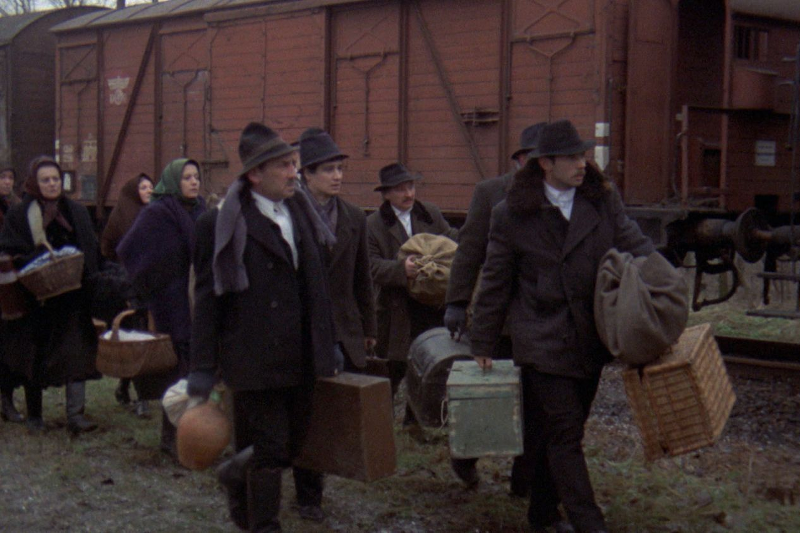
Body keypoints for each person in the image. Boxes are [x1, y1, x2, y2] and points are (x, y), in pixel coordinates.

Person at [469, 120, 655, 533]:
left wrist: (665, 283)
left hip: (590, 336)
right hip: (541, 338)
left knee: (562, 431)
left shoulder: (601, 201)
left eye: (583, 155)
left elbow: (634, 243)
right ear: (546, 163)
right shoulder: (511, 214)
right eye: (572, 157)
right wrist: (482, 341)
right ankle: (589, 523)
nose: (582, 164)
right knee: (565, 432)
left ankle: (542, 514)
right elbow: (496, 281)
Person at [186, 122, 339, 532]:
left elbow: (317, 287)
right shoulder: (221, 223)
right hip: (253, 357)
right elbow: (207, 300)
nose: (294, 173)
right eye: (284, 166)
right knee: (271, 449)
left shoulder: (300, 211)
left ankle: (235, 474)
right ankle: (264, 525)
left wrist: (328, 342)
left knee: (295, 443)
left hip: (300, 354)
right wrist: (202, 366)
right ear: (255, 173)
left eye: (294, 163)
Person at [443, 122, 546, 491]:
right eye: (533, 158)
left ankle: (524, 479)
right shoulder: (490, 193)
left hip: (540, 318)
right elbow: (469, 250)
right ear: (519, 160)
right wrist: (456, 302)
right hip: (498, 316)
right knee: (487, 392)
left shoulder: (561, 197)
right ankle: (466, 455)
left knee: (536, 401)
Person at [0, 156, 102, 435]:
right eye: (45, 180)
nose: (52, 184)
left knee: (76, 352)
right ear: (34, 183)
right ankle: (35, 415)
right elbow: (10, 248)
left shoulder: (75, 211)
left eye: (56, 179)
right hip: (36, 298)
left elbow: (90, 246)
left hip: (72, 295)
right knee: (36, 355)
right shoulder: (20, 214)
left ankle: (76, 415)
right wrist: (35, 261)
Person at [117, 159, 206, 457]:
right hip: (170, 301)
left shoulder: (201, 210)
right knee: (176, 368)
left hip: (197, 297)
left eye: (196, 176)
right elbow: (130, 249)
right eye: (186, 177)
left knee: (196, 366)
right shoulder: (158, 213)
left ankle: (195, 432)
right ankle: (171, 437)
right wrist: (153, 284)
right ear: (172, 182)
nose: (194, 182)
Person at [366, 163, 457, 423]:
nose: (408, 194)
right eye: (400, 189)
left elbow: (450, 239)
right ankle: (379, 424)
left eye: (411, 187)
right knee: (393, 369)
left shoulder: (430, 213)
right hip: (395, 309)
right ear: (386, 194)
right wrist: (400, 269)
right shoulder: (373, 224)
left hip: (430, 306)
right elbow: (370, 265)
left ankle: (415, 423)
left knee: (427, 365)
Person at [298, 128, 377, 371]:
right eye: (328, 170)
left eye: (340, 169)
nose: (337, 176)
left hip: (346, 332)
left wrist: (369, 328)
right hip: (305, 330)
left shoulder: (354, 216)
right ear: (307, 174)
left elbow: (362, 278)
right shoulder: (292, 215)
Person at [100, 173, 154, 418]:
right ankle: (141, 397)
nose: (148, 190)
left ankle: (125, 388)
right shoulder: (122, 213)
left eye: (151, 186)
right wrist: (123, 268)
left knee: (147, 338)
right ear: (133, 190)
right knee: (136, 338)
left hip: (152, 282)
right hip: (130, 285)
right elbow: (107, 245)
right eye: (143, 187)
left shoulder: (154, 212)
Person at [0, 164, 25, 423]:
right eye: (2, 177)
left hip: (9, 285)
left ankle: (6, 400)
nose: (7, 182)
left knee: (8, 343)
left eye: (10, 177)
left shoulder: (15, 207)